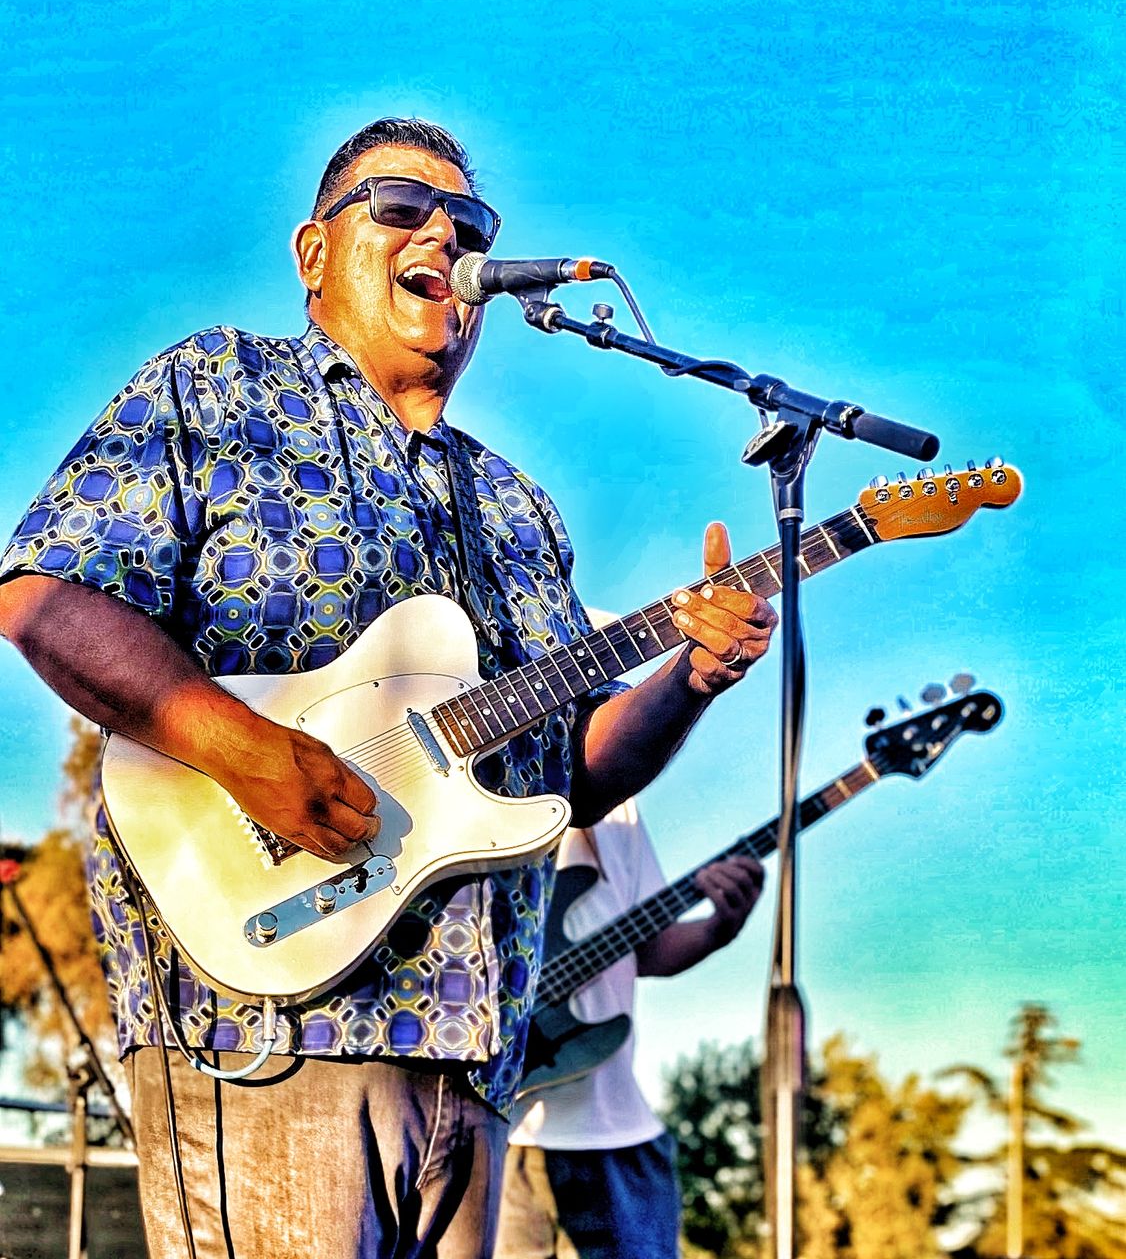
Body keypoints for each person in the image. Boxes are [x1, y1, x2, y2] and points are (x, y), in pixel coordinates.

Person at [0, 117, 777, 1259]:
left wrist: (693, 677)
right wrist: (242, 750)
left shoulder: (517, 506)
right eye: (403, 208)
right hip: (266, 1029)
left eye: (469, 224)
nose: (443, 237)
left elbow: (574, 775)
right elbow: (47, 596)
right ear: (314, 254)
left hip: (478, 1062)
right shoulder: (218, 388)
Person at [496, 804, 763, 1259]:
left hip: (620, 1137)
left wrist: (719, 928)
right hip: (500, 1136)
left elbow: (651, 948)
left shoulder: (620, 810)